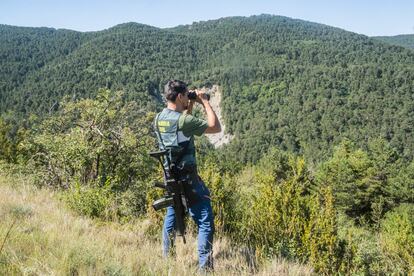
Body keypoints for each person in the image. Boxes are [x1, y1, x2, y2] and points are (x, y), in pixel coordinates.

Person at [153, 79, 221, 271]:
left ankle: (167, 260)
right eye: (186, 96)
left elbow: (181, 133)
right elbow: (215, 127)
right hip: (189, 181)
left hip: (171, 178)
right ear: (180, 96)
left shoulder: (158, 118)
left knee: (173, 213)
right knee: (205, 219)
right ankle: (205, 270)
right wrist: (204, 101)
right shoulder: (183, 121)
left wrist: (189, 105)